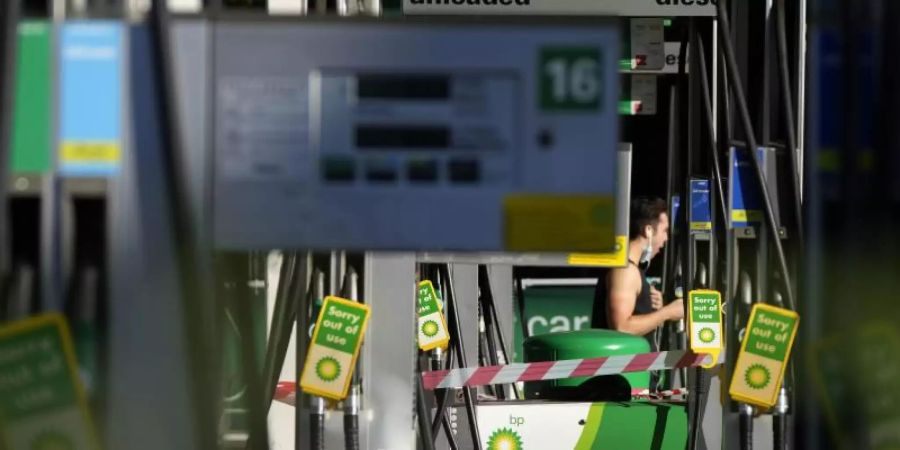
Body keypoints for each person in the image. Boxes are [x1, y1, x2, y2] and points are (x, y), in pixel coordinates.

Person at [591, 197, 684, 350]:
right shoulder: (625, 270)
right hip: (624, 372)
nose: (666, 238)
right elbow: (621, 327)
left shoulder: (632, 269)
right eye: (664, 231)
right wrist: (667, 312)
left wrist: (654, 309)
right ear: (648, 230)